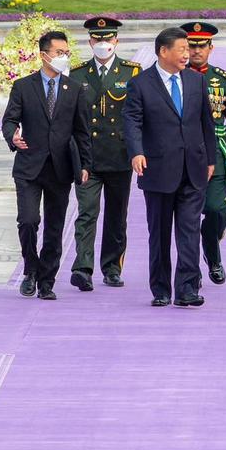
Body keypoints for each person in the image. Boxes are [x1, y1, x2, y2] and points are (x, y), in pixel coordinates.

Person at [123, 27, 216, 308]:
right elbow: (132, 122)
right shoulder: (141, 84)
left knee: (189, 231)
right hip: (158, 171)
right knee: (160, 234)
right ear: (164, 51)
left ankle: (187, 288)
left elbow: (206, 124)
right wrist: (136, 152)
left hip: (193, 169)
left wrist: (211, 159)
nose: (188, 54)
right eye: (182, 49)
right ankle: (161, 289)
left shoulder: (196, 82)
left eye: (188, 49)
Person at [2, 31, 92, 301]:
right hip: (29, 166)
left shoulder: (74, 89)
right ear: (44, 55)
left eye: (67, 53)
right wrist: (13, 136)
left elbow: (82, 131)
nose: (64, 57)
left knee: (55, 226)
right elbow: (9, 119)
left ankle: (47, 280)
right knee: (28, 221)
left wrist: (85, 164)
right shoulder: (23, 86)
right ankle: (30, 268)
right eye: (59, 52)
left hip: (60, 168)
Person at [68, 17, 141, 292]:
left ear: (116, 41)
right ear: (90, 42)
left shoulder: (131, 73)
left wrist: (139, 151)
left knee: (116, 215)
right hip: (88, 157)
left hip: (119, 156)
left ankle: (112, 267)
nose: (102, 44)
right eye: (97, 40)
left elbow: (138, 115)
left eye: (107, 39)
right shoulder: (77, 74)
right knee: (86, 212)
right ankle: (82, 268)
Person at [182, 21, 226, 286]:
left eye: (202, 46)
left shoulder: (223, 79)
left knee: (216, 209)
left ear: (211, 47)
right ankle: (201, 266)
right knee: (189, 213)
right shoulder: (177, 76)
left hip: (216, 153)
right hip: (185, 153)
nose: (196, 51)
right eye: (192, 46)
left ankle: (211, 250)